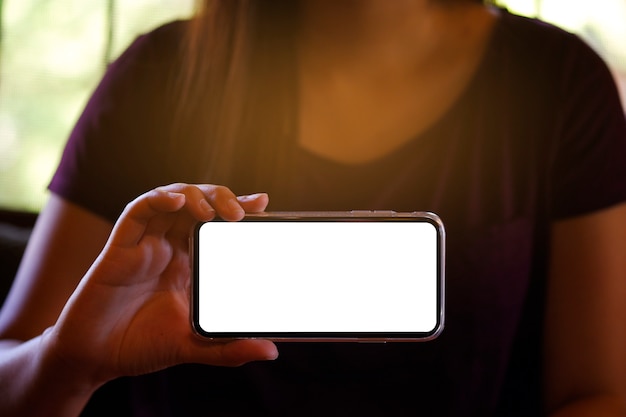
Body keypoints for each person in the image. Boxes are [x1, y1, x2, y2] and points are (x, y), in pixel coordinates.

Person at [1, 0, 625, 416]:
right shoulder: (157, 76)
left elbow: (599, 392)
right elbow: (11, 369)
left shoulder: (560, 83)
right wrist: (67, 357)